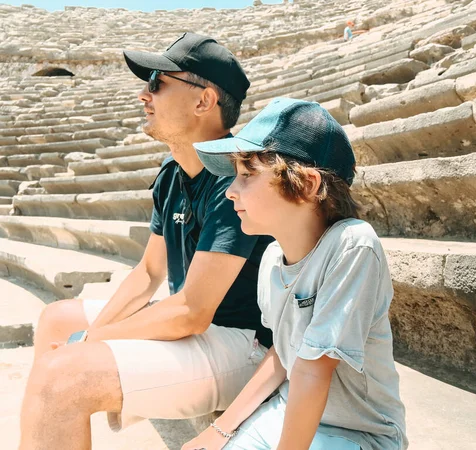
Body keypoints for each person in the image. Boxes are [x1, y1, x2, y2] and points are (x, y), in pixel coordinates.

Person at [19, 32, 273, 450]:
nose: (144, 94)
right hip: (200, 326)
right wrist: (95, 332)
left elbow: (192, 312)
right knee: (57, 320)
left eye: (157, 81)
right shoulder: (173, 173)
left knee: (64, 374)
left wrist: (93, 342)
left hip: (241, 342)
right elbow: (150, 272)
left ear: (204, 101)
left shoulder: (236, 180)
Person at [186, 97, 408, 449]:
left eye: (247, 175)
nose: (230, 190)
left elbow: (313, 368)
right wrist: (219, 431)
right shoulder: (273, 257)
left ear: (306, 185)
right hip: (286, 410)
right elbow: (284, 356)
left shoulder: (353, 245)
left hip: (359, 433)